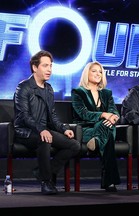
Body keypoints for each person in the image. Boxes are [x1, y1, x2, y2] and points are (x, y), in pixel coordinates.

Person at [13, 50, 81, 195]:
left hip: (43, 130)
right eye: (45, 66)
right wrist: (41, 129)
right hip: (25, 131)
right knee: (44, 139)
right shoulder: (23, 87)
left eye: (50, 66)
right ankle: (46, 182)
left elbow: (53, 116)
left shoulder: (49, 89)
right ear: (34, 67)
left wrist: (63, 129)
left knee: (74, 145)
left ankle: (42, 172)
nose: (49, 69)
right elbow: (24, 116)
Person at [71, 61, 121, 192]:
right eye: (94, 71)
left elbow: (114, 111)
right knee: (108, 132)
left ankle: (98, 141)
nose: (98, 74)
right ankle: (110, 182)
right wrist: (104, 114)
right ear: (87, 73)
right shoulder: (78, 92)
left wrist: (114, 117)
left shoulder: (107, 93)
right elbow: (83, 113)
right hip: (86, 129)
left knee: (108, 126)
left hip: (103, 128)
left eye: (100, 72)